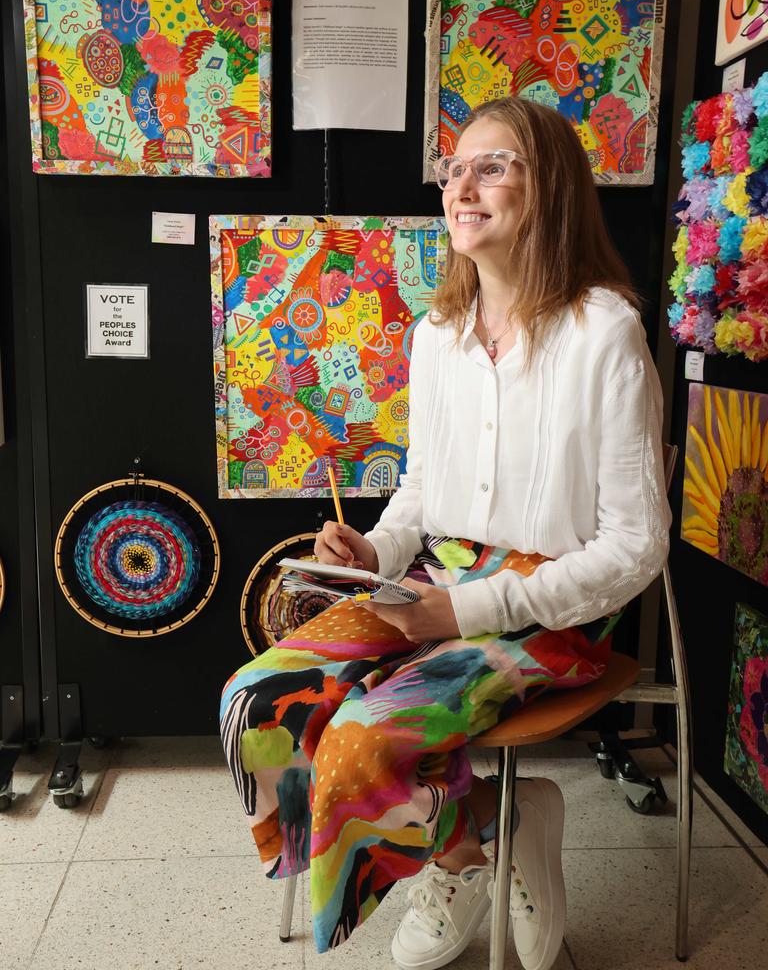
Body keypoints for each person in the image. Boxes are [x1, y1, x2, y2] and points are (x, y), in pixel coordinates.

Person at [220, 97, 671, 970]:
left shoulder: (605, 332)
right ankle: (484, 840)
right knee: (253, 704)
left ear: (551, 190)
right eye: (454, 168)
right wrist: (376, 554)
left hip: (554, 609)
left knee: (359, 736)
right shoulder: (439, 334)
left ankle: (474, 845)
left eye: (493, 165)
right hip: (429, 583)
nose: (463, 185)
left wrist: (466, 611)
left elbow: (636, 545)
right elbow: (422, 493)